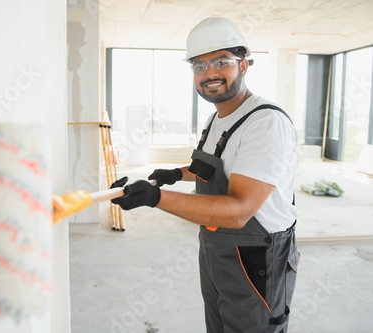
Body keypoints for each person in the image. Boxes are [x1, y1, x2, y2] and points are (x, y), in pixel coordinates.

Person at [111, 17, 299, 333]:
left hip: (257, 258)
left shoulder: (265, 123)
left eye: (221, 62)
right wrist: (170, 175)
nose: (209, 73)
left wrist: (155, 197)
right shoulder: (218, 118)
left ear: (244, 66)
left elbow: (239, 211)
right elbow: (211, 170)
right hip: (216, 247)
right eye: (199, 66)